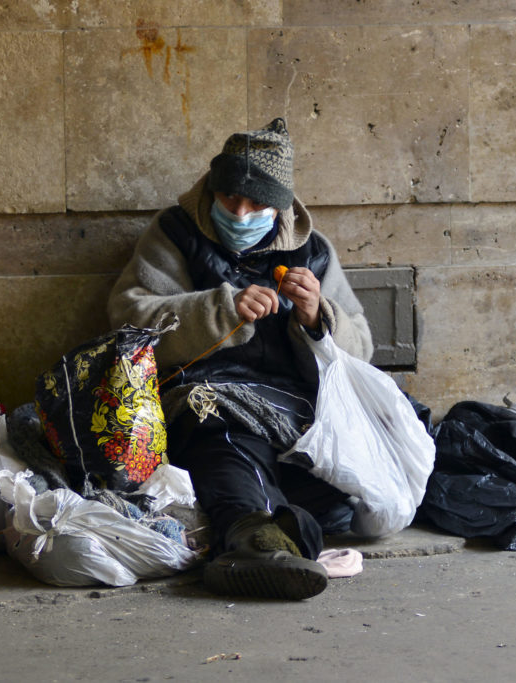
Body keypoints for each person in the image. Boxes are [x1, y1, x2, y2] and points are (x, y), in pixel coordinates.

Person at [108, 118, 374, 600]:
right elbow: (129, 318)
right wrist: (219, 309)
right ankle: (253, 539)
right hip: (209, 397)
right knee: (228, 444)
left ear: (282, 205)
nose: (241, 211)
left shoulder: (312, 251)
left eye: (257, 204)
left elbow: (362, 347)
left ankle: (275, 534)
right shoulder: (175, 233)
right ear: (213, 190)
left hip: (291, 404)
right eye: (231, 199)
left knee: (336, 470)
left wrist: (319, 316)